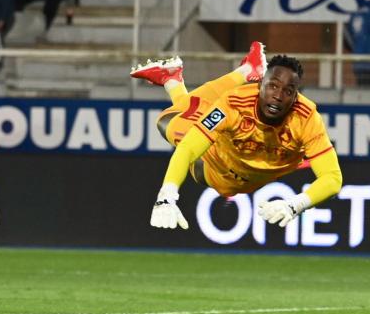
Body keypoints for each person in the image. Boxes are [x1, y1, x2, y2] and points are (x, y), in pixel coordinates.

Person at [131, 42, 343, 230]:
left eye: (288, 91)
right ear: (259, 85)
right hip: (214, 165)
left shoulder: (307, 118)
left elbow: (333, 179)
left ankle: (176, 79)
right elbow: (188, 148)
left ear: (296, 96)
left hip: (249, 177)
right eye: (273, 86)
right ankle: (240, 72)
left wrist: (295, 204)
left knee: (183, 111)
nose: (278, 96)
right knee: (167, 121)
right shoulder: (233, 104)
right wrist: (166, 196)